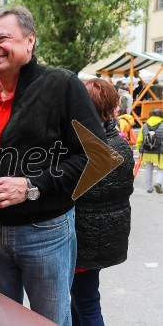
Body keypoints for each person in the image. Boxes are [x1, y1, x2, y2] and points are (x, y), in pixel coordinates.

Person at [0, 6, 106, 325]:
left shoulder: (63, 85)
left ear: (30, 41)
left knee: (50, 320)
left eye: (2, 38)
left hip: (46, 231)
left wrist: (30, 186)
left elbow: (96, 158)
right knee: (1, 319)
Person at [71, 78, 134, 326]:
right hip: (105, 239)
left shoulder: (84, 147)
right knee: (82, 299)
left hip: (82, 240)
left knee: (85, 303)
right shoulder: (120, 143)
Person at [136, 108, 163, 194]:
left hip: (146, 151)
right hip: (160, 152)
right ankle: (158, 182)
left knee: (148, 169)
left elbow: (139, 140)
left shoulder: (144, 125)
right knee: (161, 168)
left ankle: (149, 188)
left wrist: (139, 149)